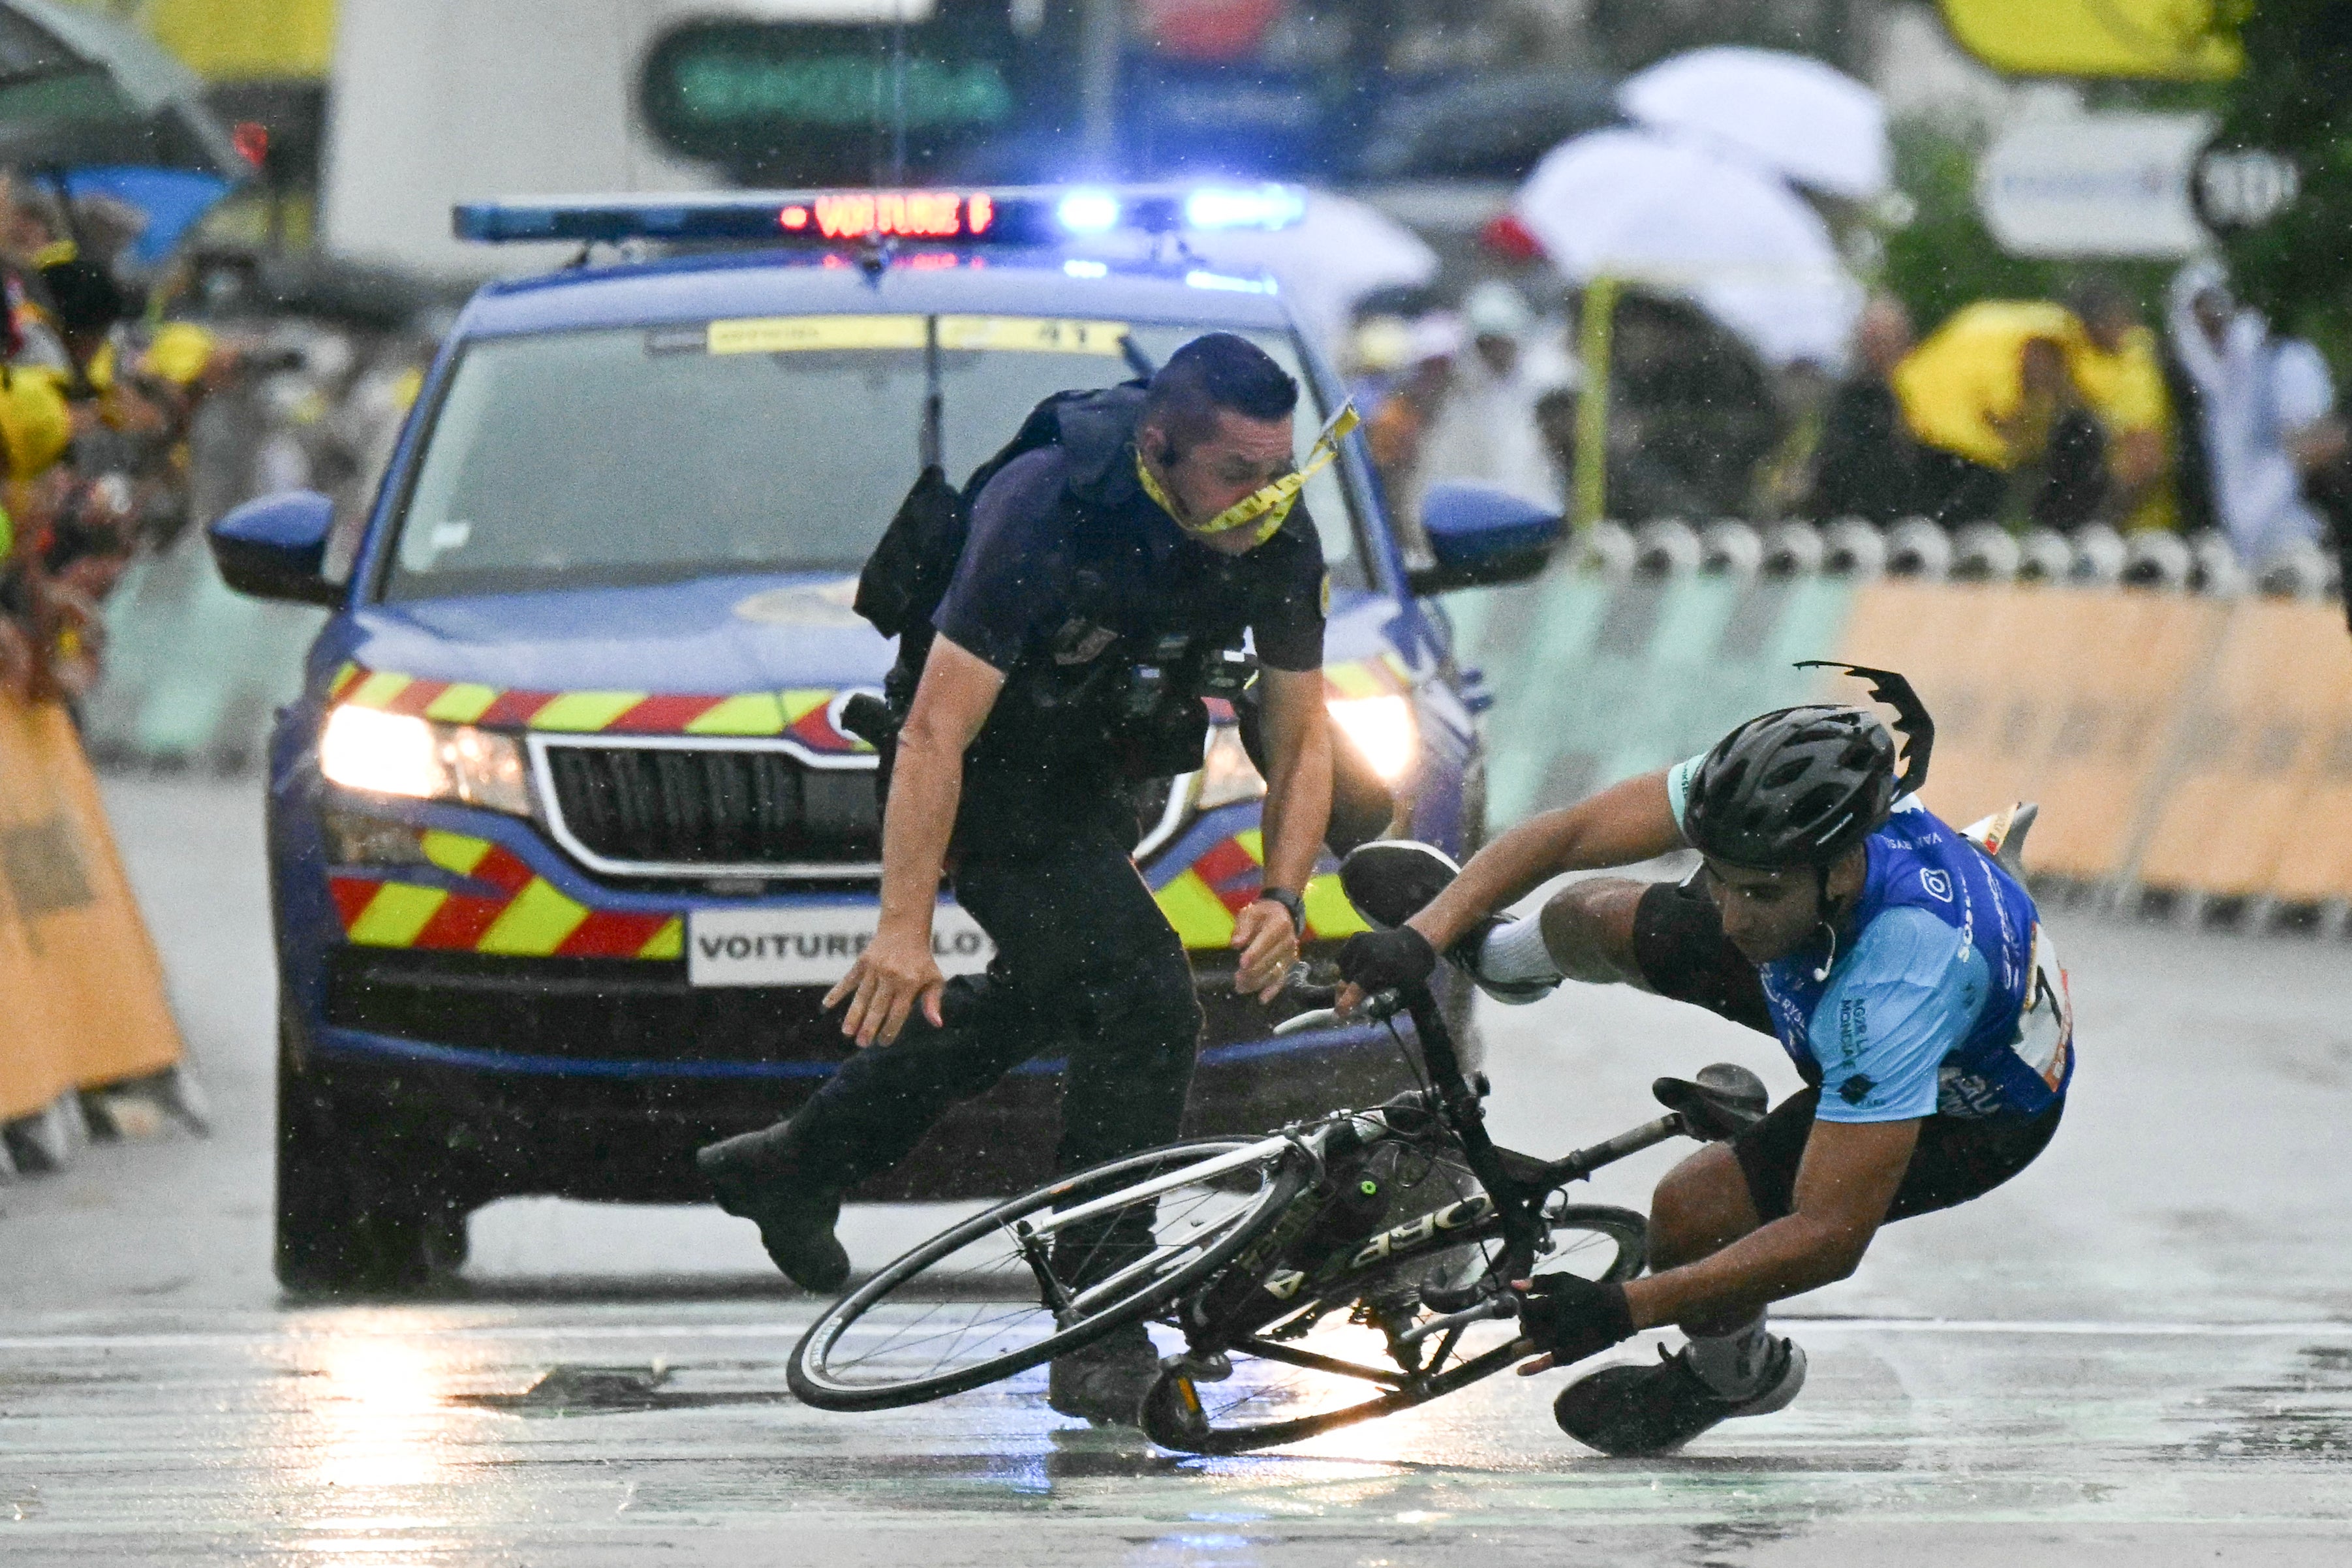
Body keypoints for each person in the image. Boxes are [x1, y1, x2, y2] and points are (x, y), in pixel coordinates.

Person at [697, 333, 1337, 1423]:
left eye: (1278, 472)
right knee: (1142, 999)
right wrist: (903, 927)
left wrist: (1282, 892)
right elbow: (936, 732)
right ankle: (1100, 1313)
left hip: (1095, 771)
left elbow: (1300, 729)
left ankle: (796, 1161)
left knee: (1054, 990)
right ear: (1155, 449)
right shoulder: (1048, 507)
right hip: (984, 773)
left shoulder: (1271, 524)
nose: (1259, 500)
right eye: (1234, 476)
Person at [1333, 668, 2072, 1456]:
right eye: (1716, 877)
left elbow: (1827, 1234)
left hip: (1967, 1106)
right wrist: (1430, 934)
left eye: (1757, 892)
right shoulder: (1763, 813)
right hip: (1828, 959)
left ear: (1841, 866)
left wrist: (1625, 1306)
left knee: (1692, 1212)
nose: (1728, 914)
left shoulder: (1898, 983)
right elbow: (1576, 832)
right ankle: (1504, 957)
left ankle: (1732, 1375)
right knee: (1591, 914)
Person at [2167, 264, 2328, 566]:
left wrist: (2255, 511)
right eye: (2199, 317)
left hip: (2296, 540)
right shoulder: (2207, 389)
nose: (2211, 324)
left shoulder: (2287, 362)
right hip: (2238, 549)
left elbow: (2310, 449)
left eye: (2215, 312)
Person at [2066, 277, 2178, 534]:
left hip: (2139, 527)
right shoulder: (2120, 361)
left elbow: (2147, 459)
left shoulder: (2135, 370)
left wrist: (2107, 517)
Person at [1805, 294, 1917, 523]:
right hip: (1849, 520)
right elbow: (1831, 462)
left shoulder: (1919, 391)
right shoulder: (1851, 397)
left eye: (1883, 339)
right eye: (1870, 338)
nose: (1875, 348)